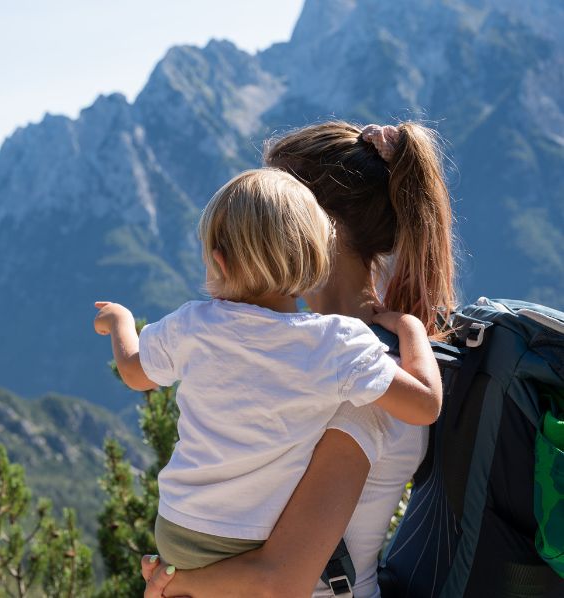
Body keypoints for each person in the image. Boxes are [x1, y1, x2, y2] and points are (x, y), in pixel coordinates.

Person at [141, 121, 456, 597]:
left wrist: (173, 584)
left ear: (315, 224)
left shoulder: (362, 377)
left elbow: (281, 581)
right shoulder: (314, 355)